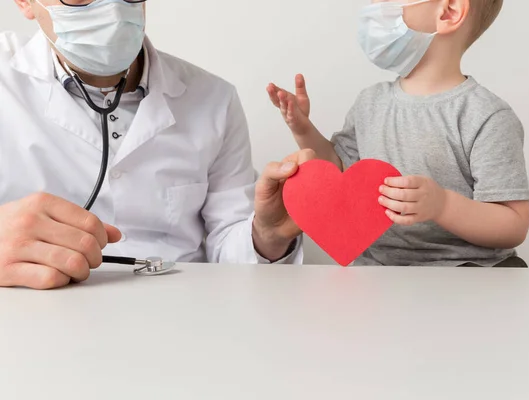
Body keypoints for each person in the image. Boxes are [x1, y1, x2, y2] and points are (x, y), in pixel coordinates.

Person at [0, 0, 311, 290]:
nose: (112, 9)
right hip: (39, 319)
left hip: (178, 311)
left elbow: (231, 257)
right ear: (25, 2)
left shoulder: (214, 99)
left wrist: (267, 235)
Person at [267, 0, 529, 267]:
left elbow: (514, 225)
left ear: (449, 11)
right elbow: (339, 171)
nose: (374, 6)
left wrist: (442, 205)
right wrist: (303, 129)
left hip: (468, 274)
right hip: (382, 273)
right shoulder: (369, 102)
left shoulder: (486, 116)